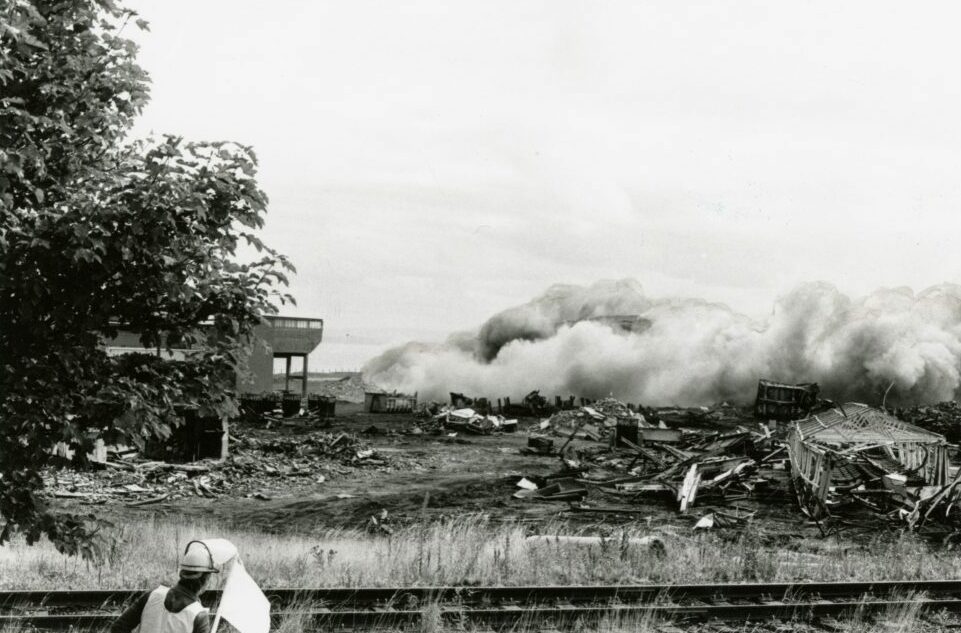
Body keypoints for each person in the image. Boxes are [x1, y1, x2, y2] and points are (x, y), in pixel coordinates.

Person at [111, 541, 219, 633]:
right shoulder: (199, 615)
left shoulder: (152, 595)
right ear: (205, 579)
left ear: (182, 573)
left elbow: (118, 628)